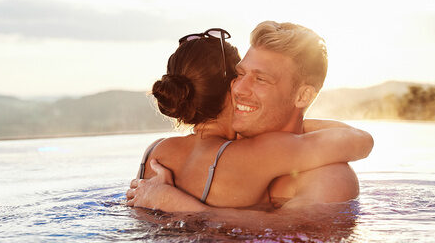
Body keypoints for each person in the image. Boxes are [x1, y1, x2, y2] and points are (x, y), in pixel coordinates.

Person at [125, 22, 372, 214]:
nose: (239, 88)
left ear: (303, 95)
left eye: (261, 79)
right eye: (239, 74)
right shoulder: (251, 153)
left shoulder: (329, 177)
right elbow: (358, 140)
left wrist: (176, 205)